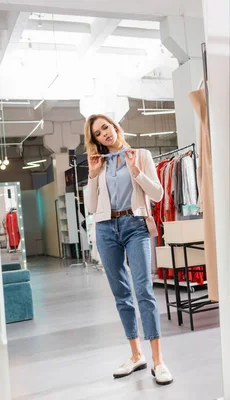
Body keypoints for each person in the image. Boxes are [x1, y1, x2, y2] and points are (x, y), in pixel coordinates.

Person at [84, 114, 173, 385]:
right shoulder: (99, 164)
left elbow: (157, 195)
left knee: (144, 290)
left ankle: (158, 361)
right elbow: (91, 206)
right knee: (121, 293)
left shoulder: (141, 154)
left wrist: (136, 171)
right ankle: (136, 355)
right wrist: (92, 176)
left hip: (135, 225)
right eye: (98, 133)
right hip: (106, 228)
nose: (104, 134)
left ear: (115, 126)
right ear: (96, 140)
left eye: (105, 128)